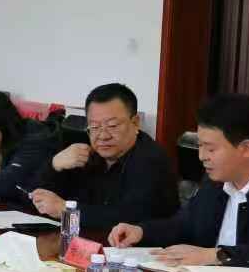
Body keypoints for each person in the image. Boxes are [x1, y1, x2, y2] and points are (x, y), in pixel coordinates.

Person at [108, 93, 249, 272]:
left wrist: (217, 255)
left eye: (211, 149)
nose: (202, 156)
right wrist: (141, 231)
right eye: (200, 146)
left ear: (245, 148)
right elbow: (185, 225)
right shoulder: (215, 181)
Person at [29, 83, 178, 230]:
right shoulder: (86, 153)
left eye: (112, 126)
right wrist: (54, 165)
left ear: (135, 123)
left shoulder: (151, 161)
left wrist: (66, 209)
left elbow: (129, 219)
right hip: (83, 240)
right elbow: (34, 197)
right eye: (94, 127)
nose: (103, 136)